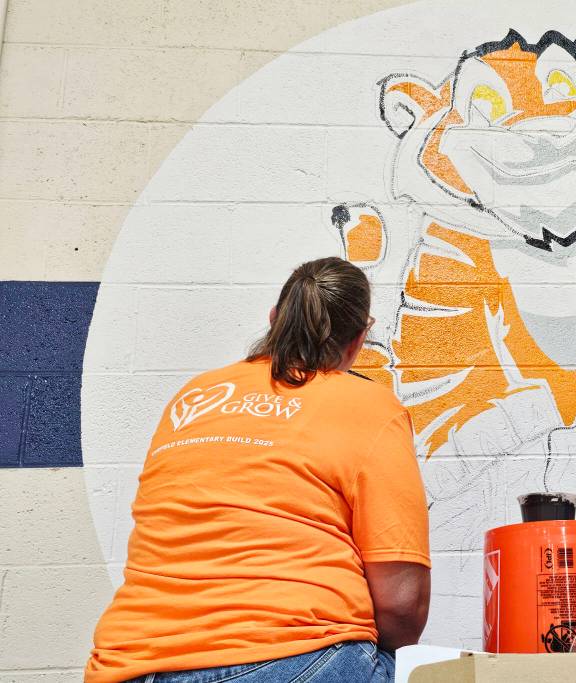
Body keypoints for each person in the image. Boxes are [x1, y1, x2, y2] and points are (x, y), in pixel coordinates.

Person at [86, 257, 431, 683]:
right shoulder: (370, 406)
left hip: (132, 665)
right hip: (293, 658)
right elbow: (401, 606)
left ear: (273, 320)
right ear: (359, 339)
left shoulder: (194, 396)